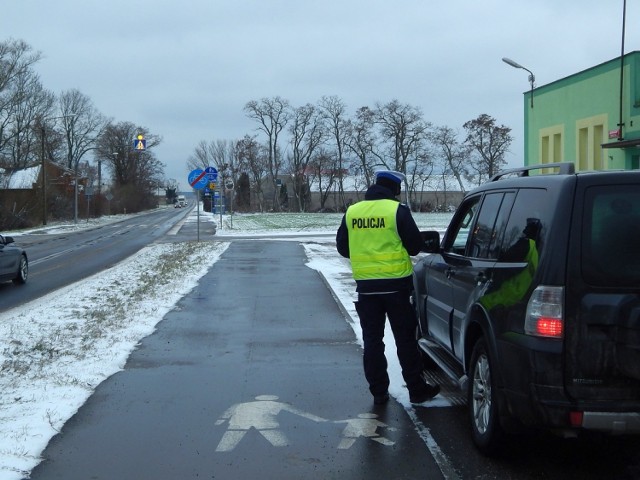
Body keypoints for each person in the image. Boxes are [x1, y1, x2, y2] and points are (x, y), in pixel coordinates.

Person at [336, 170, 440, 406]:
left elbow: (343, 248)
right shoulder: (397, 211)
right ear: (395, 190)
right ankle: (416, 390)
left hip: (366, 289)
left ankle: (379, 392)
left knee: (373, 341)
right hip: (397, 289)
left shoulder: (353, 212)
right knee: (405, 341)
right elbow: (414, 246)